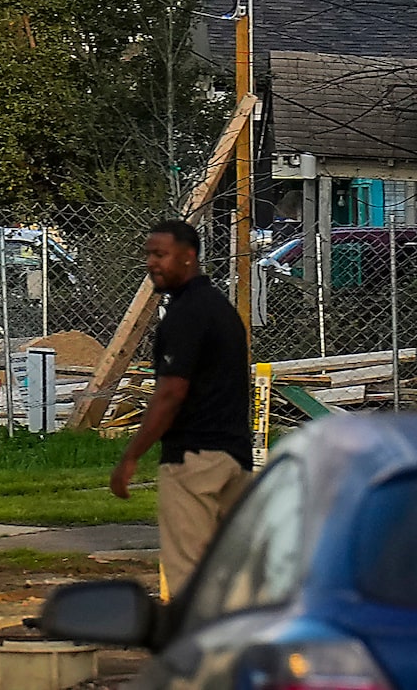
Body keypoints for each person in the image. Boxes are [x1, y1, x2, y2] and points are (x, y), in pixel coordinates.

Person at [109, 217, 253, 597]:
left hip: (194, 461)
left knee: (189, 575)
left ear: (189, 257)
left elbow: (171, 392)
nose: (151, 263)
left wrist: (130, 456)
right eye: (148, 254)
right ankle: (237, 649)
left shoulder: (186, 314)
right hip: (234, 458)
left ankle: (197, 651)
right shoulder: (220, 310)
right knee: (230, 576)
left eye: (161, 254)